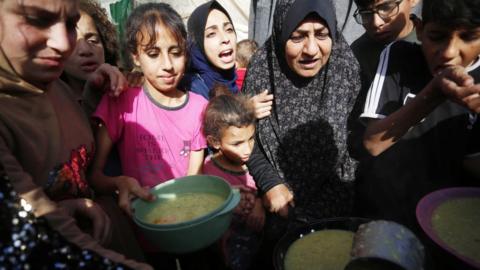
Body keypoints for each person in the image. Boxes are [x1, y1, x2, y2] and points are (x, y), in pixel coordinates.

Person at [0, 0, 149, 268]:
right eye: (37, 20)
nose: (63, 43)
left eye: (69, 23)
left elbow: (80, 162)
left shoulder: (55, 87)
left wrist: (116, 184)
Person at [358, 0, 480, 267]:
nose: (449, 52)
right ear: (421, 29)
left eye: (468, 37)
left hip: (455, 232)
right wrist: (433, 94)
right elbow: (372, 142)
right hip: (392, 221)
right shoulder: (400, 57)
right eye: (437, 37)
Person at [243, 0, 361, 267]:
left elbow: (357, 149)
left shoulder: (347, 68)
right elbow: (245, 139)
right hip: (274, 215)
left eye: (321, 34)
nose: (311, 49)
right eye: (297, 36)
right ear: (282, 33)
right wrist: (270, 182)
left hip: (335, 216)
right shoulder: (263, 70)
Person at [90, 2, 207, 218]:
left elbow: (193, 182)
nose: (168, 65)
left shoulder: (199, 107)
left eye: (176, 52)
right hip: (138, 229)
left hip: (186, 223)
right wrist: (119, 182)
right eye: (153, 54)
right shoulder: (121, 100)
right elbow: (94, 175)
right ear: (135, 57)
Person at [202, 85, 264, 270]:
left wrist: (259, 205)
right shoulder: (208, 170)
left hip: (257, 244)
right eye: (237, 143)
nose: (247, 149)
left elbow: (264, 191)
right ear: (214, 142)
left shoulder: (256, 164)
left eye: (251, 138)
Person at [351, 0, 420, 83]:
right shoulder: (355, 57)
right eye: (366, 13)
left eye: (386, 8)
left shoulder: (434, 44)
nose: (376, 23)